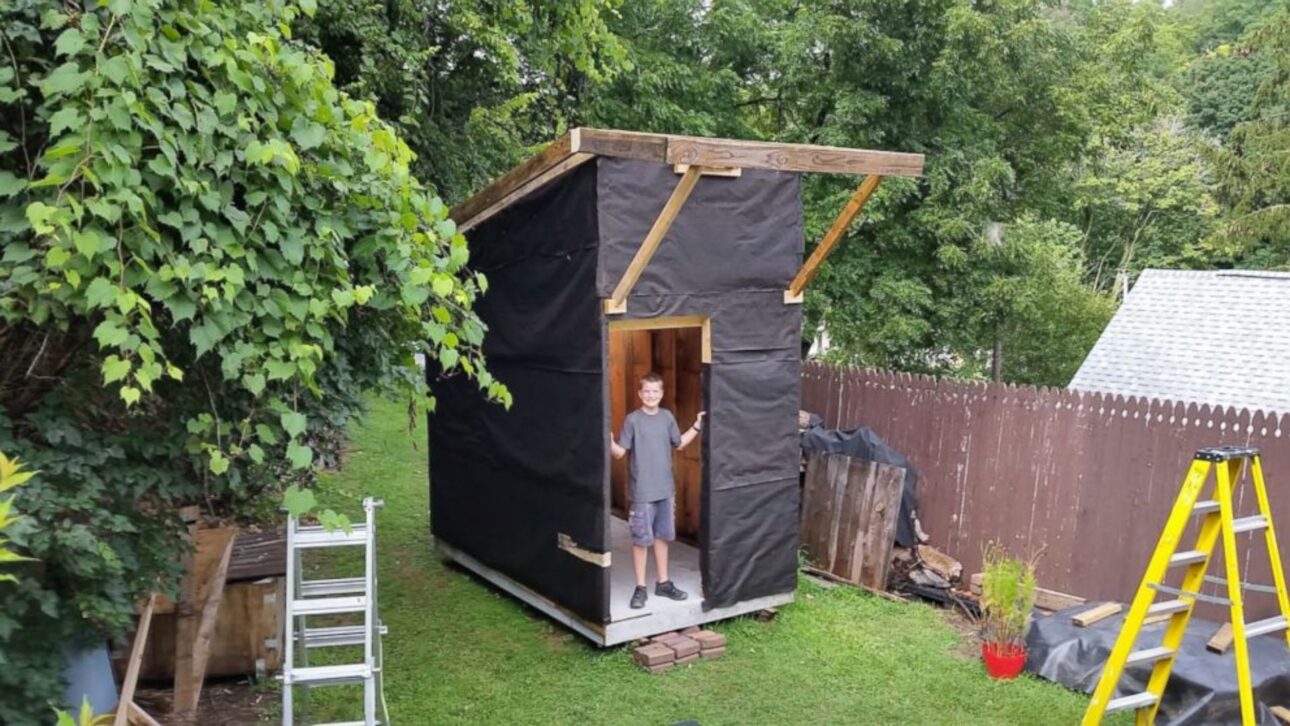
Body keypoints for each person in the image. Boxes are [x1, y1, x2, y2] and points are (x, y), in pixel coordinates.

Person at [610, 372, 705, 609]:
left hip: (665, 490)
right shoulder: (632, 420)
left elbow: (680, 444)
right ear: (640, 394)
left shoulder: (667, 417)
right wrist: (608, 440)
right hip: (642, 492)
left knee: (663, 537)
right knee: (641, 540)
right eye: (647, 392)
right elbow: (620, 452)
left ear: (661, 394)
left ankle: (663, 583)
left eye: (656, 391)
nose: (651, 395)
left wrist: (696, 426)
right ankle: (640, 587)